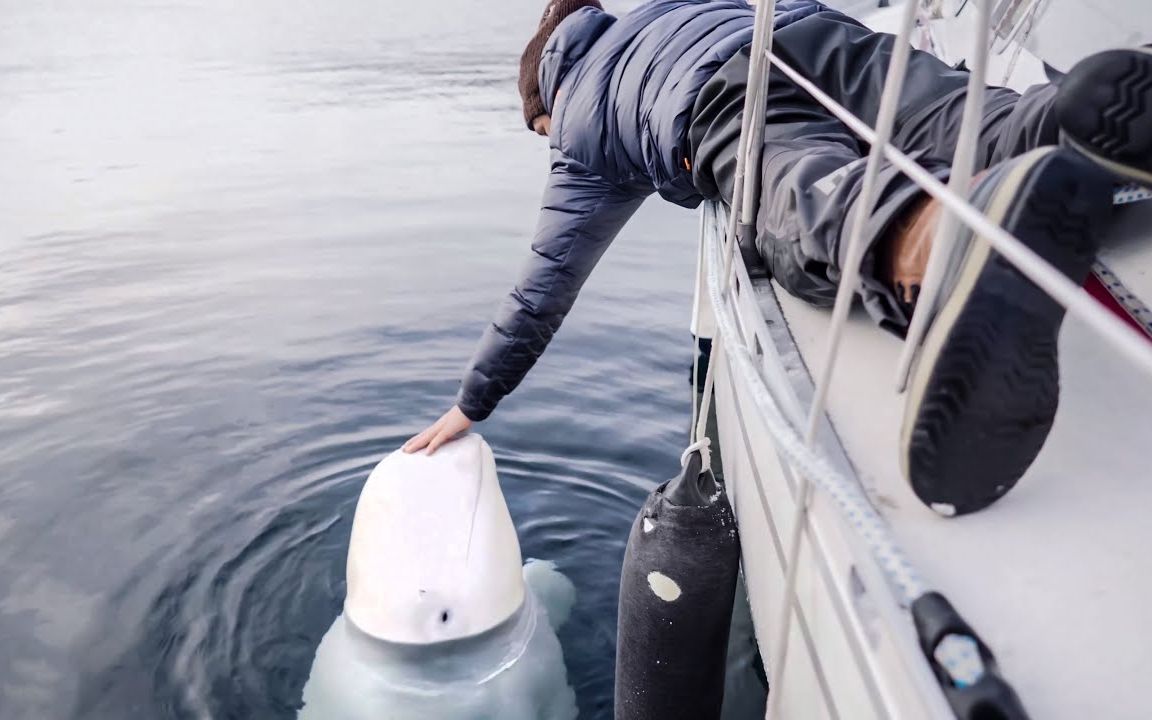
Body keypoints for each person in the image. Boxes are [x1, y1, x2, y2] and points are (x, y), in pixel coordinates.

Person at [405, 0, 1152, 515]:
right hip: (821, 37)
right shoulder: (666, 10)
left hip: (730, 99)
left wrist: (472, 403)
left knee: (798, 202)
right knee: (960, 119)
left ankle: (935, 239)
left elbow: (542, 289)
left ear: (544, 103)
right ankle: (1063, 120)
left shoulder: (576, 124)